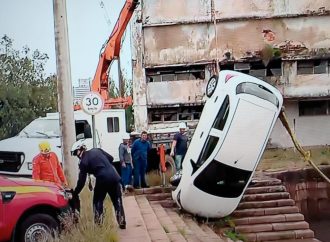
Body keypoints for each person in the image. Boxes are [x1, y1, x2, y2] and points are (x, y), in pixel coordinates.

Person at [71, 140, 126, 229]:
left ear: (81, 149)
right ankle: (122, 221)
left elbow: (81, 181)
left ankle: (99, 224)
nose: (75, 155)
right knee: (117, 200)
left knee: (97, 201)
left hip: (102, 179)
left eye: (75, 153)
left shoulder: (83, 162)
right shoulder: (97, 150)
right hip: (114, 177)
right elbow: (111, 158)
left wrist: (75, 192)